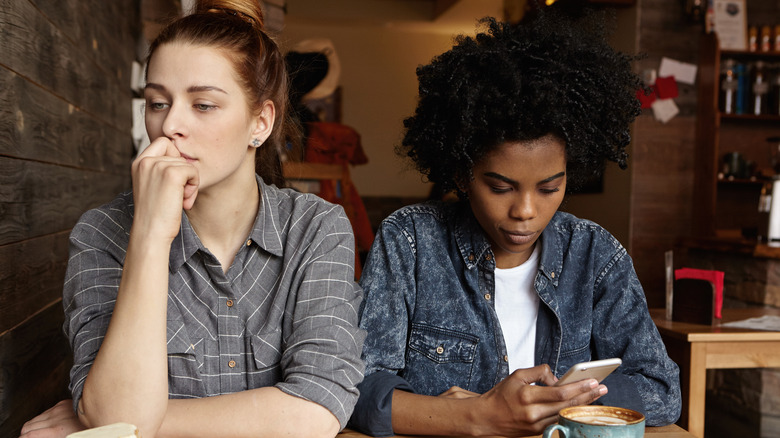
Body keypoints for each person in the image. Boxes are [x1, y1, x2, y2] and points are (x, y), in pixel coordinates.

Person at [20, 1, 364, 437]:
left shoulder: (317, 227)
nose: (170, 125)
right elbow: (115, 416)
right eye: (157, 103)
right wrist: (148, 233)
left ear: (260, 122)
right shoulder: (101, 232)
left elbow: (317, 409)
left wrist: (127, 423)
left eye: (202, 105)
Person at [348, 7, 681, 437]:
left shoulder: (594, 255)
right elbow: (355, 388)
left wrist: (557, 402)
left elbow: (661, 388)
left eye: (548, 188)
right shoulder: (410, 243)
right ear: (461, 175)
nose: (525, 211)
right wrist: (475, 417)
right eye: (501, 187)